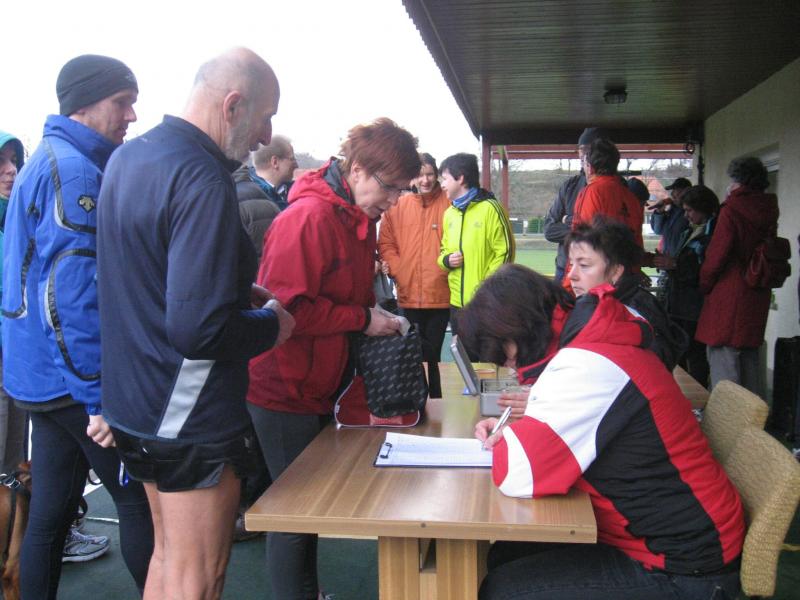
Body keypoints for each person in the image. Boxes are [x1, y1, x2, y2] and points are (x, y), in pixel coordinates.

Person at [96, 48, 295, 600]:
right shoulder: (203, 178)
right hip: (187, 412)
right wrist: (271, 325)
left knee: (168, 559)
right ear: (232, 105)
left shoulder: (129, 157)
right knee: (197, 578)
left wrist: (232, 289)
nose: (266, 136)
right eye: (265, 117)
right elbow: (199, 331)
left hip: (135, 402)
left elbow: (143, 270)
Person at [460, 264, 744, 600]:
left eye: (502, 354)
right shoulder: (592, 341)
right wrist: (515, 432)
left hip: (686, 565)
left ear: (519, 330)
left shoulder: (588, 363)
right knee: (505, 553)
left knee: (501, 591)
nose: (508, 367)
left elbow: (520, 475)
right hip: (680, 536)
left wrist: (506, 442)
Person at [247, 117, 420, 600]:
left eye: (401, 190)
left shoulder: (356, 219)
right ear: (358, 169)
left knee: (308, 509)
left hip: (320, 382)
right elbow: (284, 310)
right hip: (284, 387)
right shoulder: (309, 218)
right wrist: (362, 319)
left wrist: (370, 314)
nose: (394, 200)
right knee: (293, 513)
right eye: (390, 187)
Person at [1, 54, 152, 599]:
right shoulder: (75, 171)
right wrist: (98, 396)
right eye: (122, 102)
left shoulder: (48, 159)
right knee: (136, 501)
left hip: (36, 376)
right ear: (85, 105)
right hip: (70, 381)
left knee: (51, 511)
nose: (132, 115)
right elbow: (70, 298)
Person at [696, 157, 779, 394]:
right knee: (750, 360)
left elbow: (717, 255)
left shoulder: (732, 210)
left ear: (738, 180)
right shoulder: (768, 207)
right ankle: (752, 415)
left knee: (724, 362)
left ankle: (726, 416)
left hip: (728, 293)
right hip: (757, 291)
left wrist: (704, 283)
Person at [378, 153, 451, 397]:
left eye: (430, 174)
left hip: (440, 294)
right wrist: (398, 269)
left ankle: (436, 401)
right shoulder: (397, 205)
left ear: (437, 175)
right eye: (420, 175)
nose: (425, 180)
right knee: (411, 354)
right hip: (407, 294)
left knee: (434, 357)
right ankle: (413, 401)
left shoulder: (449, 203)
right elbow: (386, 243)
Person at [437, 152, 515, 333]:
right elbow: (443, 251)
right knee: (460, 351)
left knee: (485, 351)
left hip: (485, 303)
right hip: (456, 304)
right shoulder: (449, 214)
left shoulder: (491, 209)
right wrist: (447, 260)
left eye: (445, 179)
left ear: (460, 178)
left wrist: (486, 288)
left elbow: (505, 252)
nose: (442, 185)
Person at [654, 185, 720, 387]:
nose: (686, 215)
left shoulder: (713, 234)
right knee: (679, 353)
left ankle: (697, 395)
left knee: (695, 355)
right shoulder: (691, 231)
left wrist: (675, 264)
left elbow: (706, 270)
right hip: (680, 303)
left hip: (694, 307)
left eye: (690, 210)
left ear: (703, 208)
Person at [565, 138, 643, 293]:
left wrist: (568, 289)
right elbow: (637, 242)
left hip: (601, 283)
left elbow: (581, 242)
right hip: (627, 279)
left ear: (589, 167)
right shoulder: (631, 197)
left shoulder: (591, 192)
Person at [543, 127, 604, 282]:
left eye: (588, 150)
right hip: (564, 270)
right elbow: (549, 230)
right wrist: (583, 229)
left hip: (598, 273)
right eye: (581, 150)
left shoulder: (613, 188)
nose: (583, 155)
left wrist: (569, 220)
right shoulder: (570, 186)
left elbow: (603, 231)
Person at [0, 130, 27, 476]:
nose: (11, 170)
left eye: (14, 160)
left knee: (14, 458)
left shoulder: (16, 220)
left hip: (18, 355)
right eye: (0, 162)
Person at [649, 176, 691, 258]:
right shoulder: (672, 211)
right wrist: (659, 212)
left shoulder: (690, 214)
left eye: (677, 191)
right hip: (667, 260)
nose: (672, 194)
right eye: (673, 191)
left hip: (681, 261)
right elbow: (658, 230)